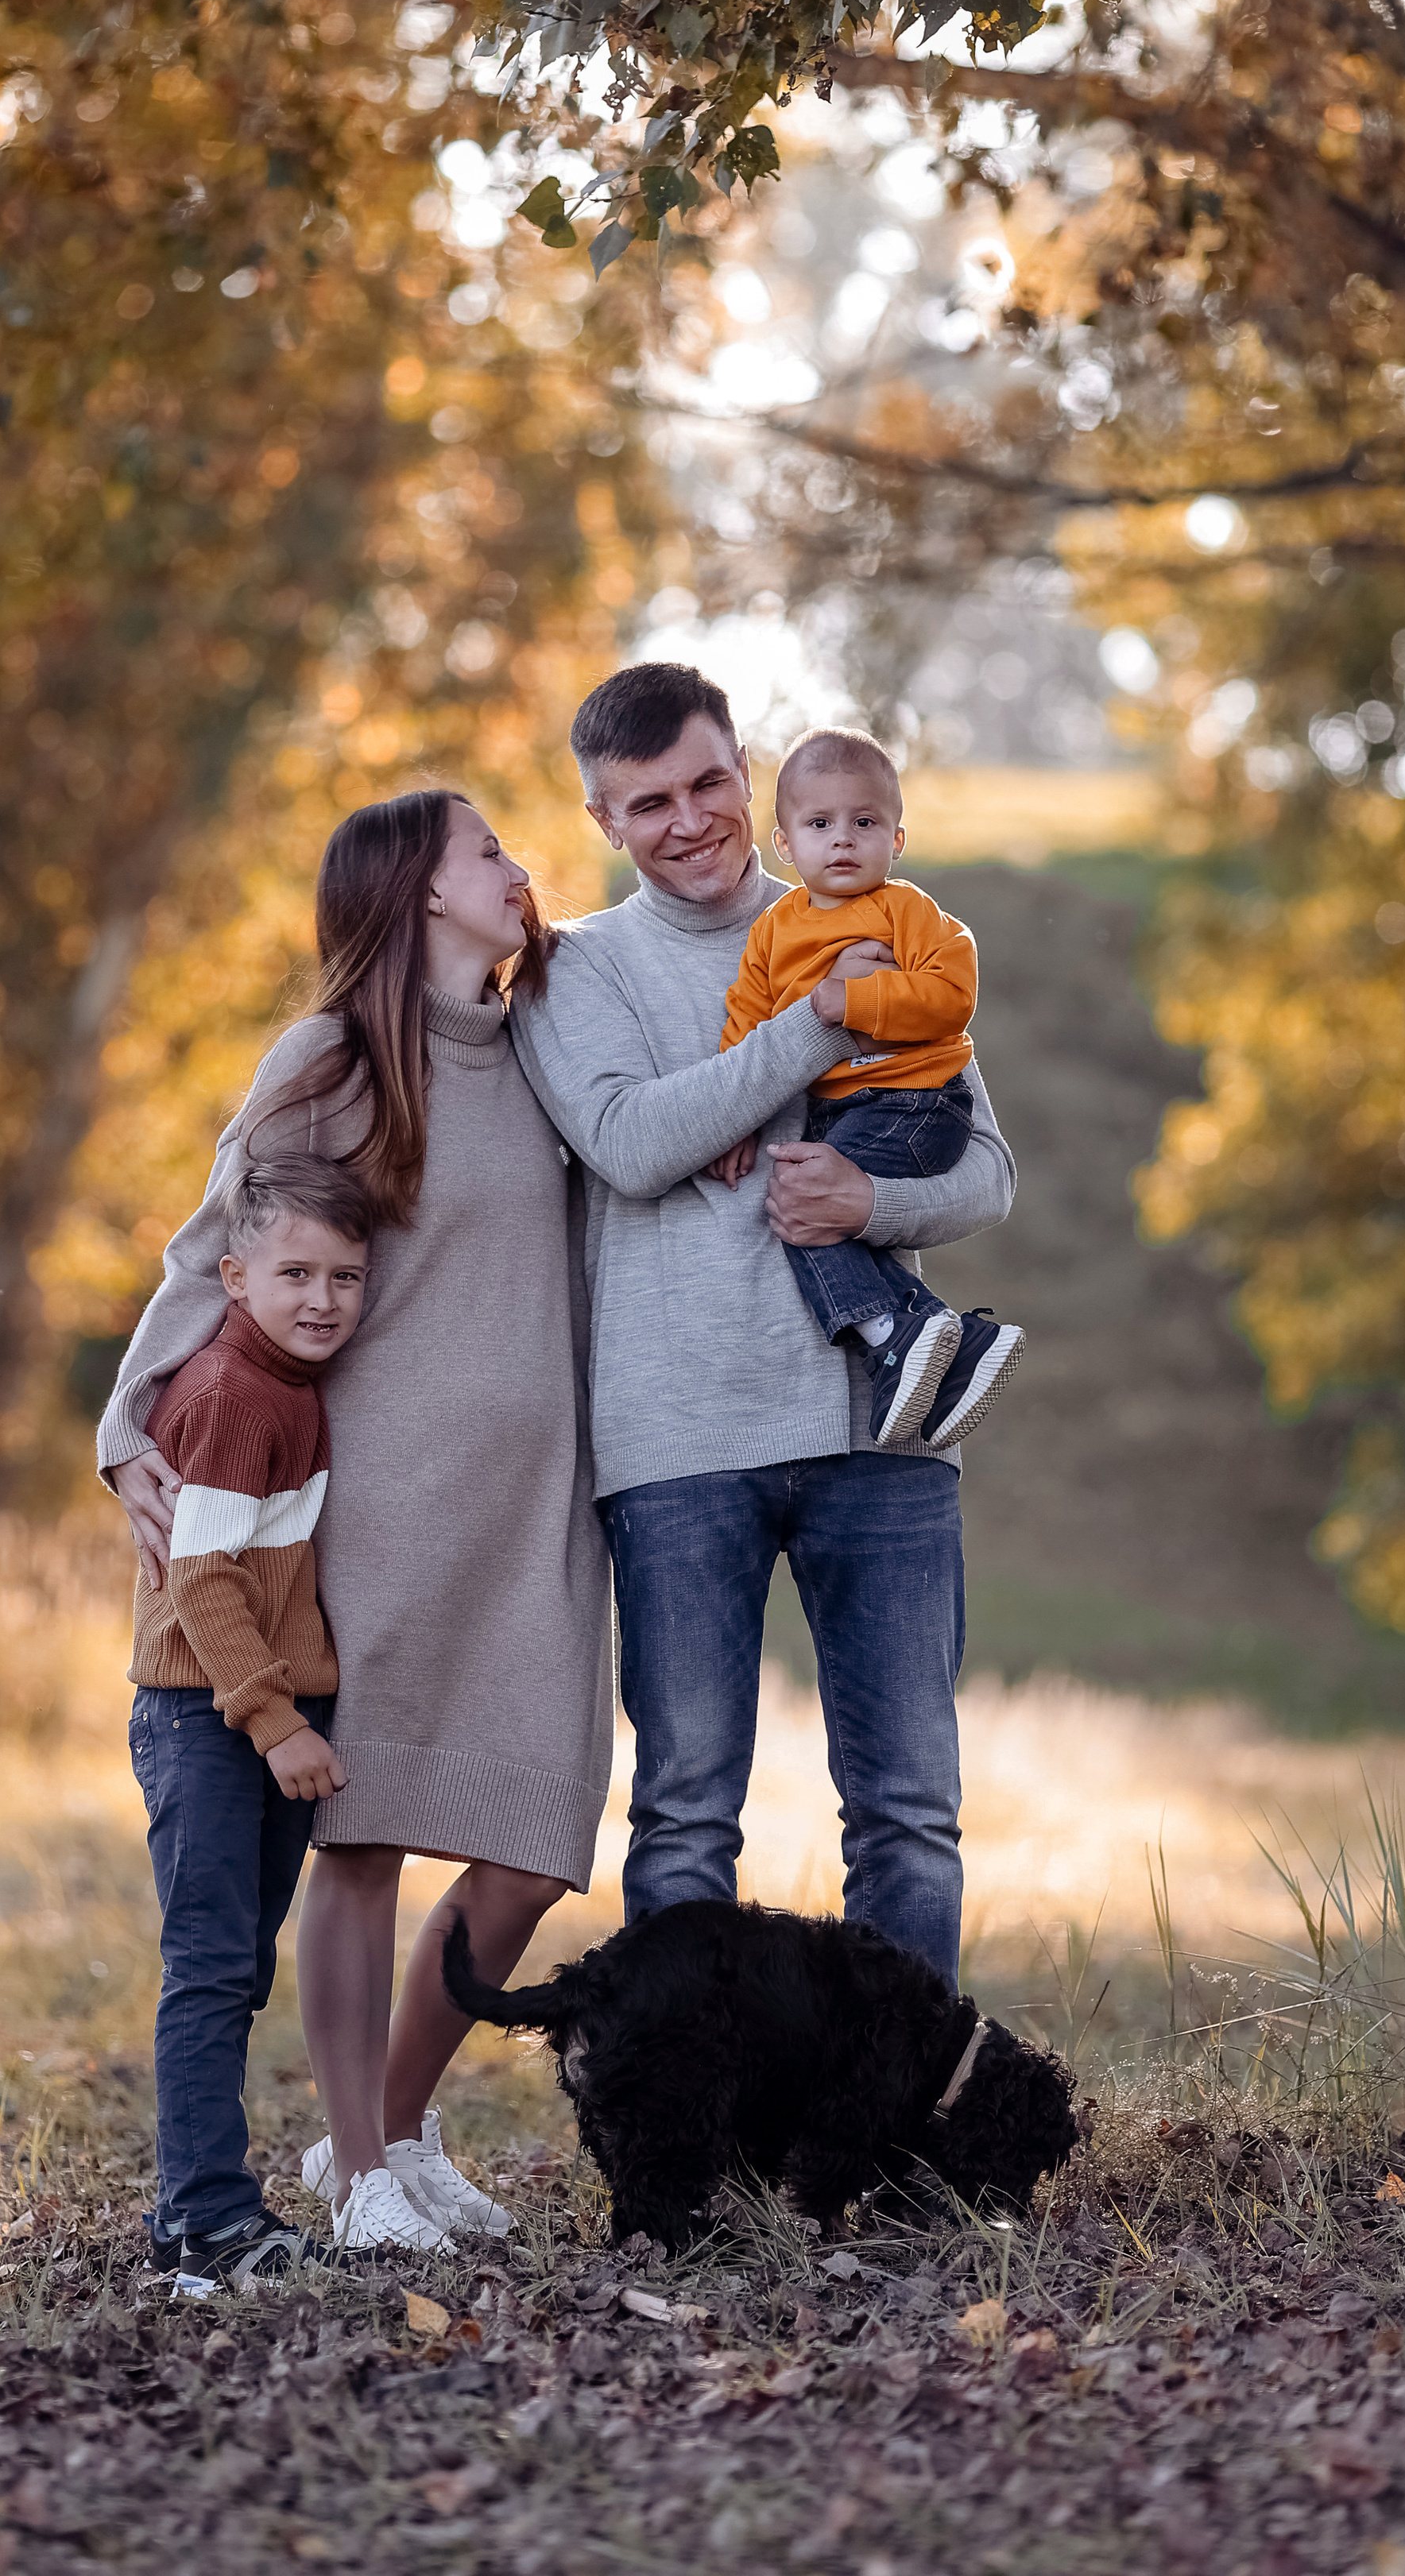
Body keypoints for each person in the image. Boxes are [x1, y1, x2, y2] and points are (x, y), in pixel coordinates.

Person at [100, 790, 613, 2265]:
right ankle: (372, 2165)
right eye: (490, 851)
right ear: (415, 891)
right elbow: (219, 1249)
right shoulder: (327, 1059)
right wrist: (121, 1426)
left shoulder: (539, 1050)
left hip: (536, 1513)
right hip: (374, 1507)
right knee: (367, 1838)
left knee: (533, 1835)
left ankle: (377, 2128)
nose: (520, 873)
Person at [507, 662, 1016, 1986]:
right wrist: (819, 1021)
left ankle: (901, 2139)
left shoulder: (879, 915)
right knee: (683, 1818)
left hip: (882, 1436)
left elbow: (987, 1172)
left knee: (908, 1812)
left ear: (750, 775)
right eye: (645, 804)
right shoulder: (577, 969)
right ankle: (695, 2150)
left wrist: (867, 1199)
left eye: (705, 783)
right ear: (604, 821)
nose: (685, 820)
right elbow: (632, 1144)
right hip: (680, 1445)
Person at [126, 1155, 368, 2296]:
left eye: (346, 1277)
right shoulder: (230, 1394)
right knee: (213, 1966)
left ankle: (193, 2214)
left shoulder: (293, 1387)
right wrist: (276, 1722)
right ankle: (207, 2221)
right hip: (206, 1715)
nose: (322, 1299)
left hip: (249, 1712)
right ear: (233, 1276)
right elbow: (201, 1582)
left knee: (234, 1965)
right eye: (295, 1273)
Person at [712, 722, 1024, 1449]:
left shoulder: (905, 911)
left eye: (865, 823)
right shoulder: (773, 929)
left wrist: (847, 1003)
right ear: (785, 843)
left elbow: (952, 994)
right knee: (803, 1203)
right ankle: (940, 1342)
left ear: (898, 840)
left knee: (802, 1207)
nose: (843, 840)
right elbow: (747, 1032)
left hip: (917, 1103)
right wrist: (739, 1122)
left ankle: (894, 1336)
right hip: (845, 1113)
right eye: (820, 824)